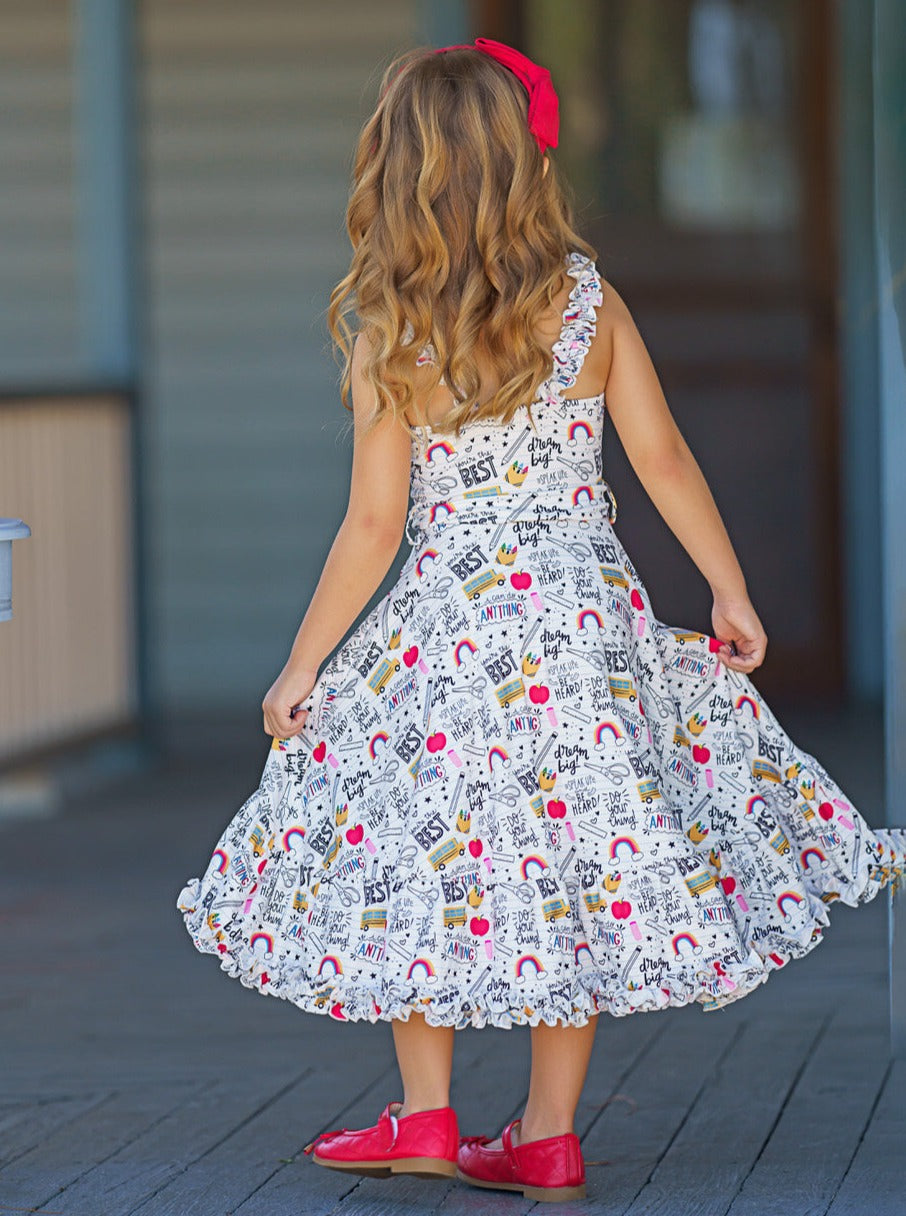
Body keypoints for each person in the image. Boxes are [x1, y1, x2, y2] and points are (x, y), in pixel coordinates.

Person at [176, 38, 906, 1204]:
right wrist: (728, 587)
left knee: (414, 850)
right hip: (580, 631)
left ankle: (426, 1113)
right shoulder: (586, 302)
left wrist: (300, 666)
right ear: (524, 165)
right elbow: (662, 458)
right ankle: (549, 1133)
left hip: (443, 638)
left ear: (398, 173)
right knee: (578, 857)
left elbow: (373, 526)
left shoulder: (391, 329)